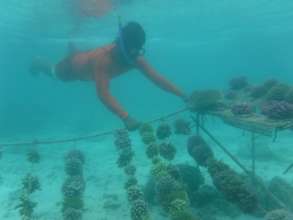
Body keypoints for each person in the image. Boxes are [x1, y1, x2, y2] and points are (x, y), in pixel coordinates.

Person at [30, 21, 187, 131]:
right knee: (53, 73)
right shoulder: (103, 60)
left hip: (83, 61)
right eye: (131, 51)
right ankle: (38, 61)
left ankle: (72, 45)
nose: (133, 56)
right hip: (71, 69)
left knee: (75, 54)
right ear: (120, 44)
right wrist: (125, 117)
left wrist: (184, 96)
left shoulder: (135, 58)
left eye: (137, 51)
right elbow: (103, 94)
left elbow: (158, 79)